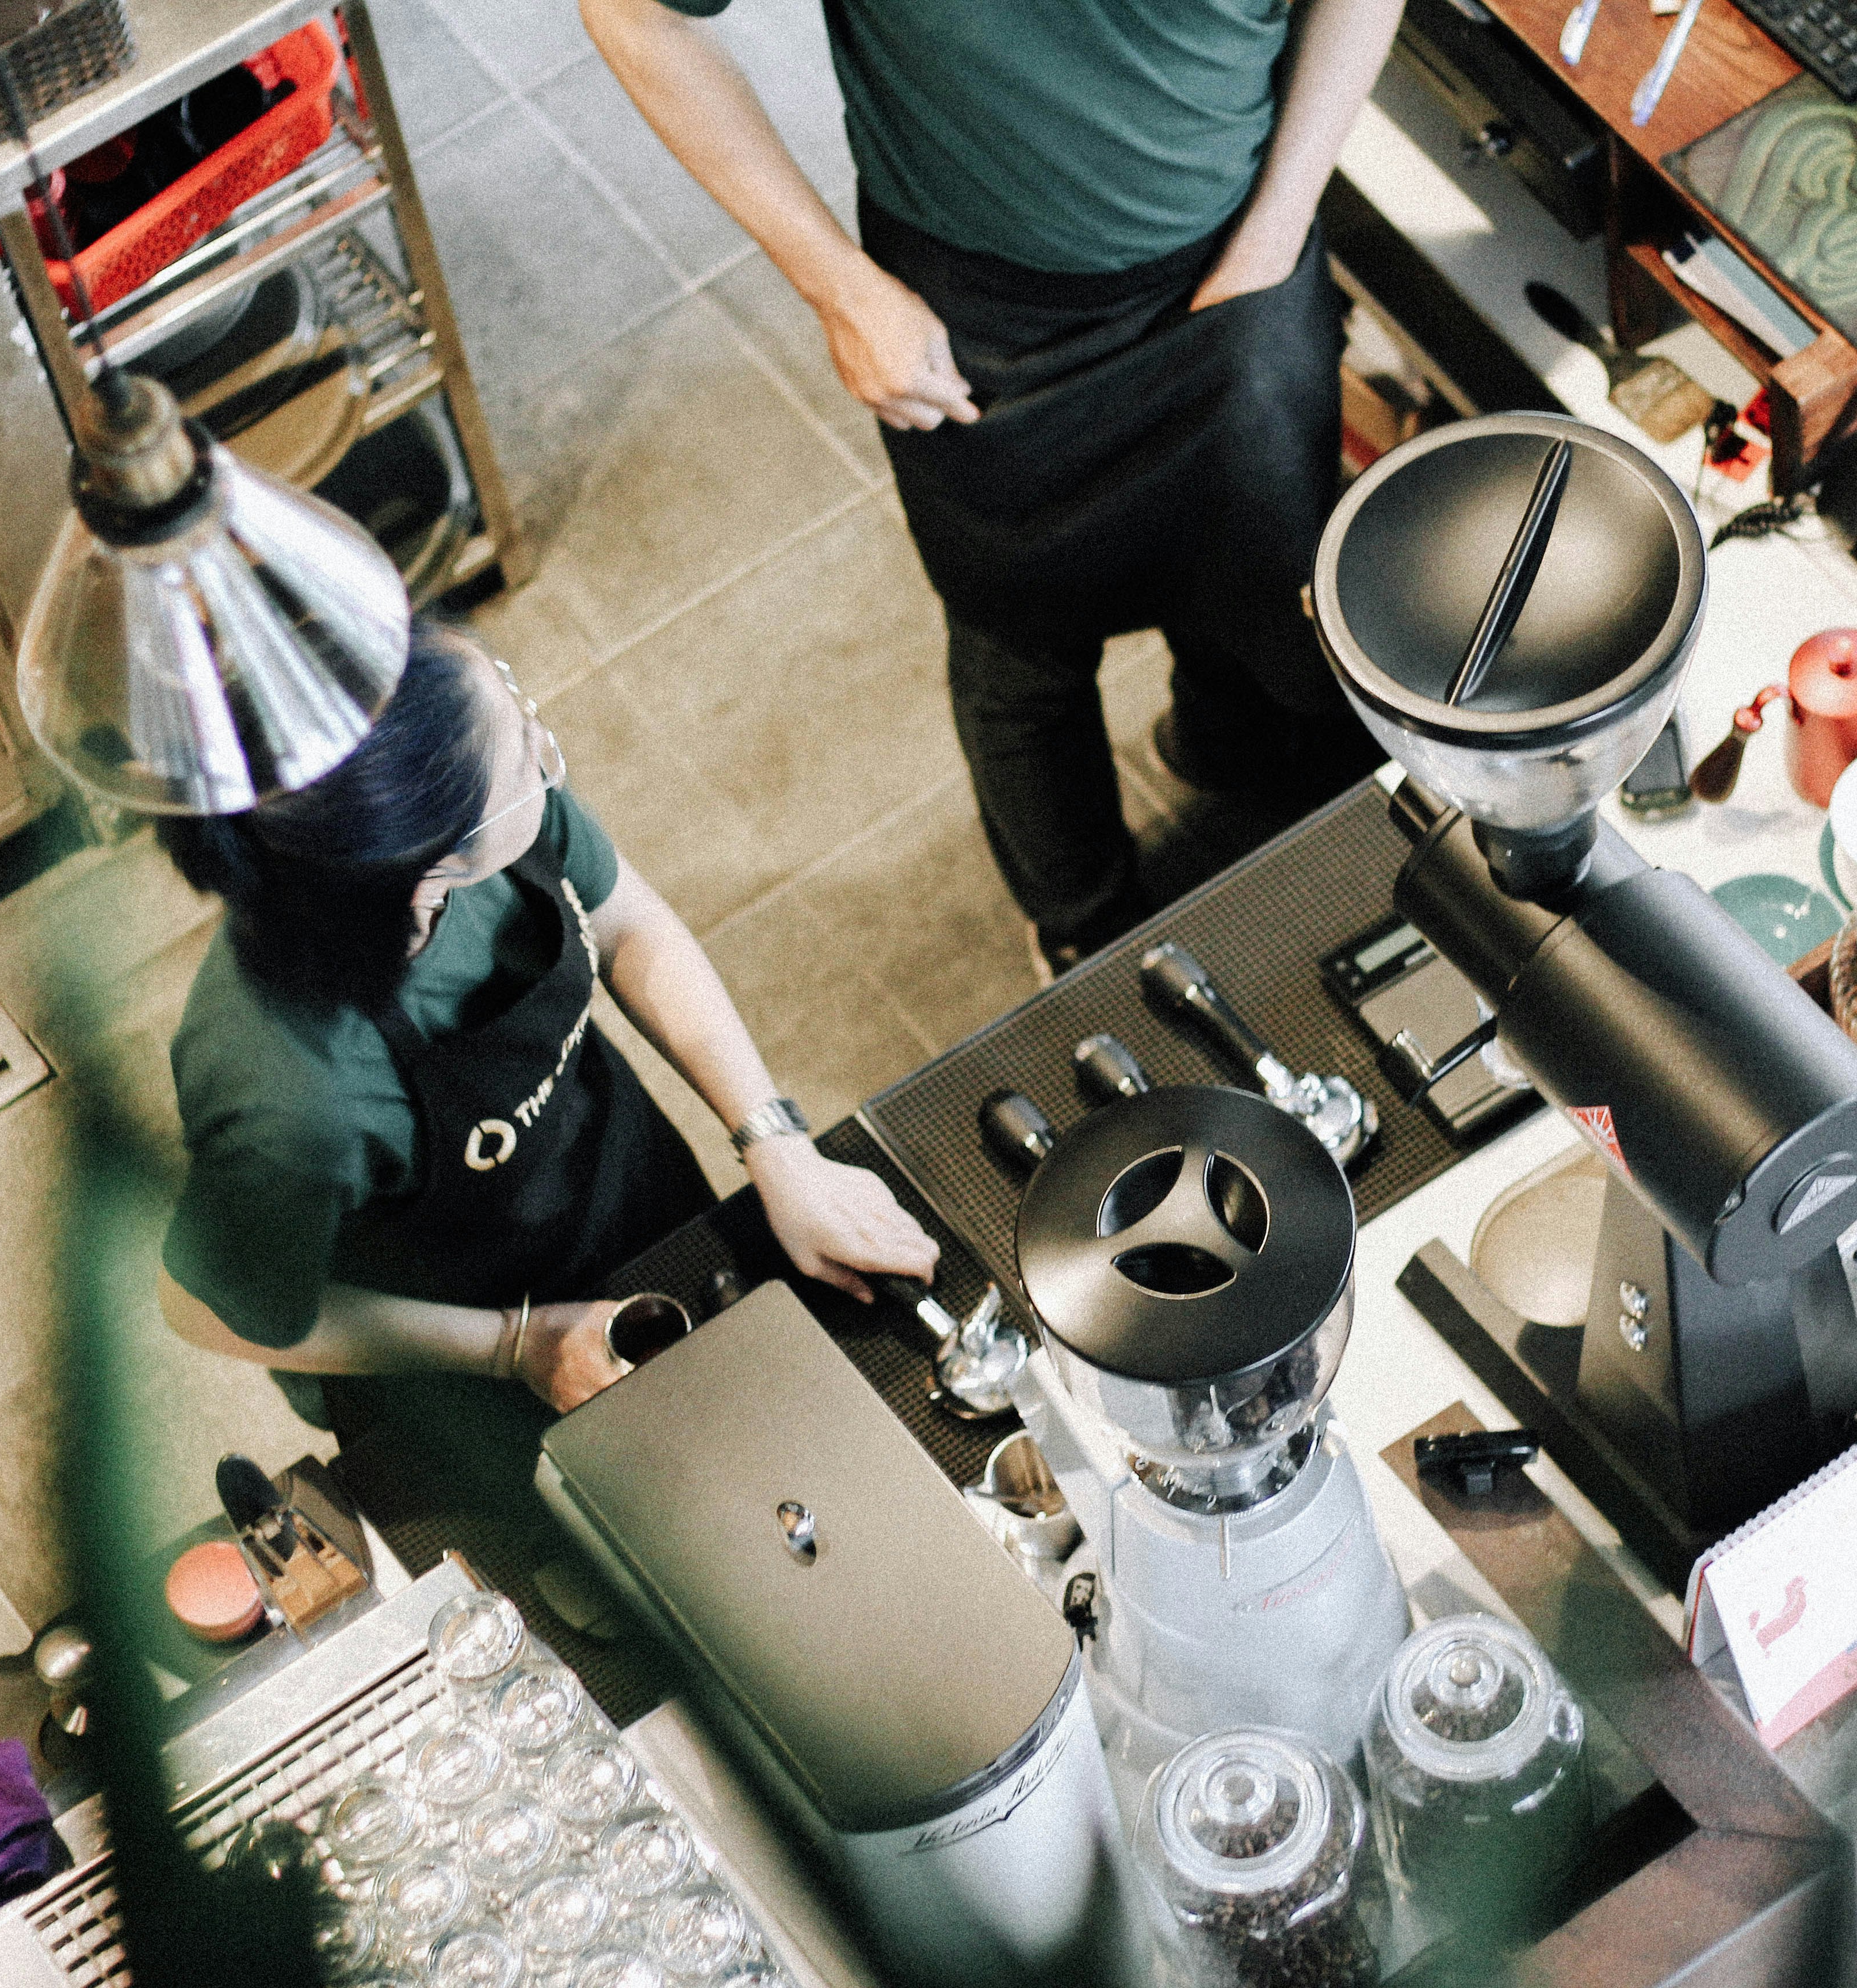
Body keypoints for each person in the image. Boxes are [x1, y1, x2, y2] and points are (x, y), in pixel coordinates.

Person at [582, 0, 1405, 973]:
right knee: (1019, 651)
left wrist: (1280, 219)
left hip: (1239, 263)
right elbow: (637, 15)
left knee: (1263, 577)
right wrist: (836, 285)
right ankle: (1085, 923)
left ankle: (1228, 748)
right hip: (982, 316)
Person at [153, 621, 938, 1455]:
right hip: (456, 1351)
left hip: (628, 1189)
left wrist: (777, 1147)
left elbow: (629, 925)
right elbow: (205, 1306)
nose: (538, 734)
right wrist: (516, 1346)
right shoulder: (290, 1087)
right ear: (435, 865)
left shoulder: (482, 818)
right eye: (521, 742)